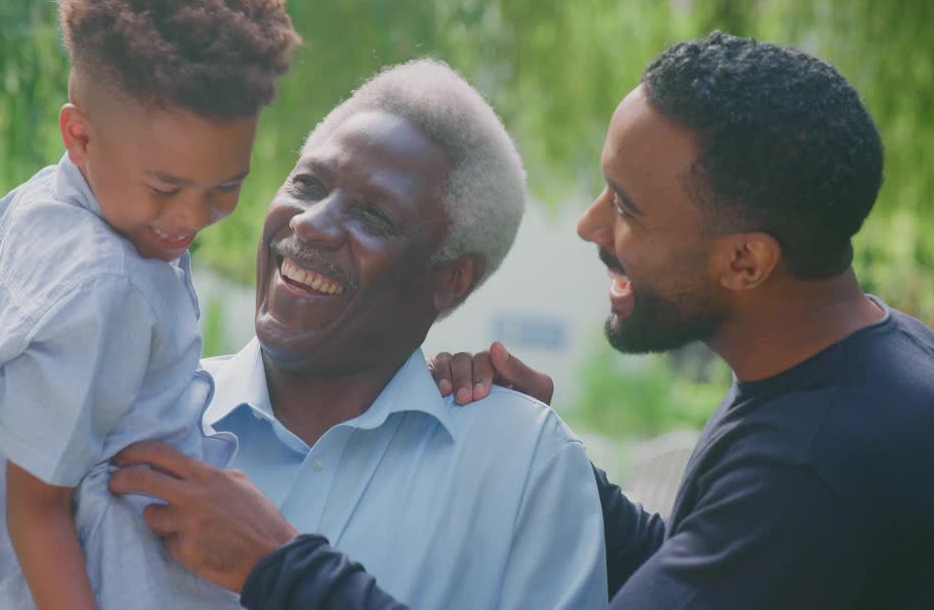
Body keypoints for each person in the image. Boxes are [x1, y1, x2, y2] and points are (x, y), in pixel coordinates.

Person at [113, 32, 934, 610]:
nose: (589, 230)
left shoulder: (823, 463)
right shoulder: (867, 353)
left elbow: (769, 532)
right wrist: (558, 467)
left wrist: (278, 566)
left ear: (744, 261)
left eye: (628, 209)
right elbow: (713, 563)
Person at [111, 59, 609, 608]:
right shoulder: (143, 411)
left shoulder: (523, 465)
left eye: (372, 216)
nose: (309, 223)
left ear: (450, 279)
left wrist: (280, 568)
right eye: (307, 184)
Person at [0, 0, 300, 609]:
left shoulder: (32, 209)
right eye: (166, 188)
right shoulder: (106, 285)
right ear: (81, 136)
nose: (193, 217)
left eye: (225, 187)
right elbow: (38, 511)